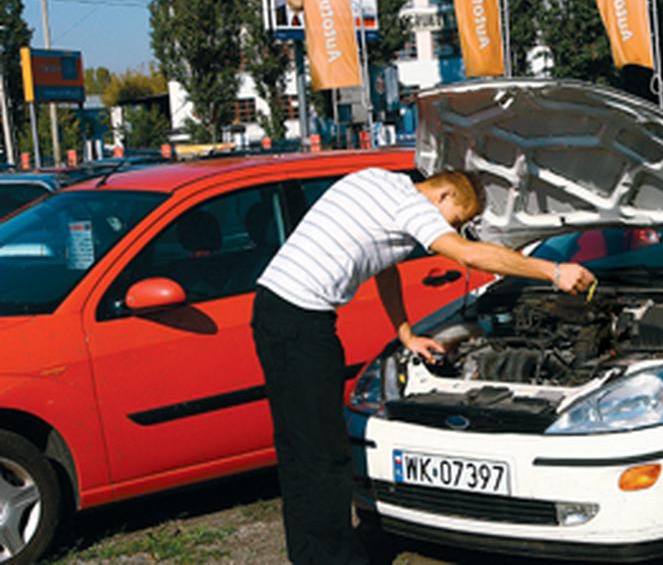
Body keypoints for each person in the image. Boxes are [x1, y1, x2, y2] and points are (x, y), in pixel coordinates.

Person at [251, 168, 595, 564]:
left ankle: (309, 554)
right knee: (325, 453)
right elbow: (467, 254)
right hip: (302, 322)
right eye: (458, 220)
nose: (453, 229)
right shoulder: (411, 205)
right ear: (445, 194)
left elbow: (383, 266)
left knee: (298, 445)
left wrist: (406, 333)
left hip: (274, 308)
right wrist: (553, 271)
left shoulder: (377, 180)